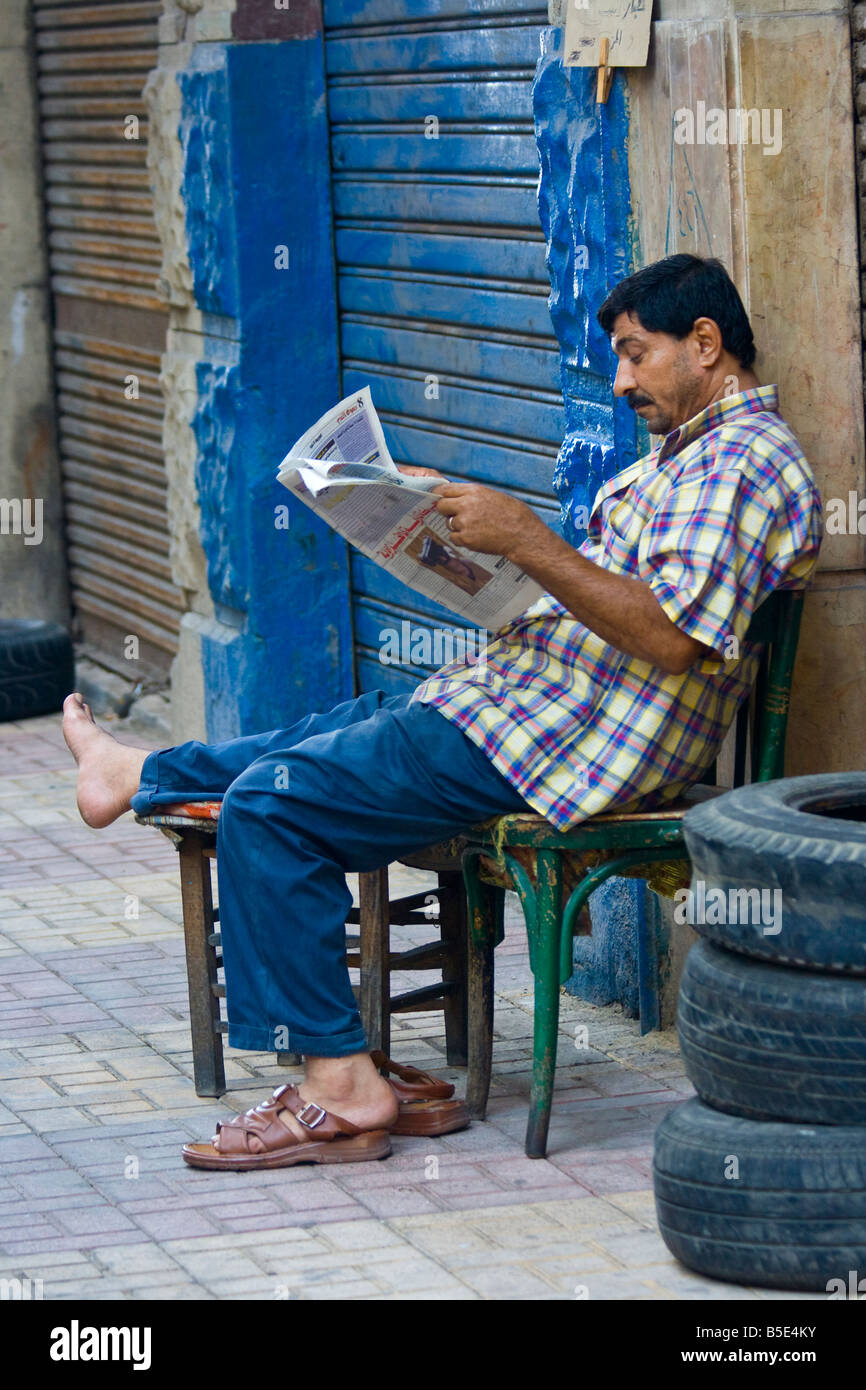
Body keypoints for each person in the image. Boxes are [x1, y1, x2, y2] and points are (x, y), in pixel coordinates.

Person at [62, 254, 823, 1170]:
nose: (619, 381)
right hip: (526, 703)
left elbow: (672, 638)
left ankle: (339, 1089)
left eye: (634, 354)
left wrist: (527, 540)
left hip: (558, 742)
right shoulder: (694, 454)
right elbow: (623, 599)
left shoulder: (744, 464)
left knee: (272, 805)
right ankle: (137, 773)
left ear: (705, 345)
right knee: (332, 732)